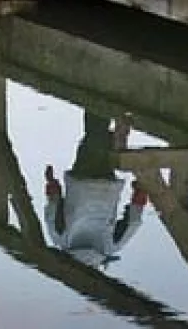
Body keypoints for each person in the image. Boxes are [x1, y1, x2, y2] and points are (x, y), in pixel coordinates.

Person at [43, 112, 148, 268]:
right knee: (92, 136)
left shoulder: (109, 249)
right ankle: (98, 106)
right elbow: (53, 210)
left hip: (107, 189)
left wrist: (140, 193)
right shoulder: (61, 242)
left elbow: (133, 222)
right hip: (81, 183)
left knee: (101, 150)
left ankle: (115, 141)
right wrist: (52, 183)